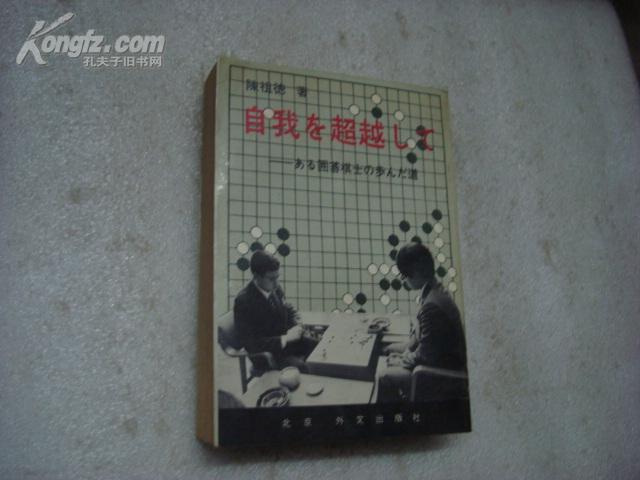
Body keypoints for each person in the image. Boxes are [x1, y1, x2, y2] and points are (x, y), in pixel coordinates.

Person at [377, 243, 467, 402]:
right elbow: (425, 344)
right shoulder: (435, 291)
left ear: (416, 272)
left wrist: (402, 359)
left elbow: (426, 355)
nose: (404, 280)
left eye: (405, 275)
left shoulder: (431, 306)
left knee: (384, 375)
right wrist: (402, 354)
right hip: (440, 363)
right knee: (388, 354)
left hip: (443, 376)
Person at [233, 250, 318, 371]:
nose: (276, 283)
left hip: (285, 343)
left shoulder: (274, 288)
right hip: (266, 355)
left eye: (277, 277)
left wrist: (297, 325)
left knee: (319, 348)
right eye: (271, 279)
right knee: (306, 367)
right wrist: (285, 338)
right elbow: (250, 343)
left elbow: (288, 309)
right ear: (256, 276)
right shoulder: (243, 301)